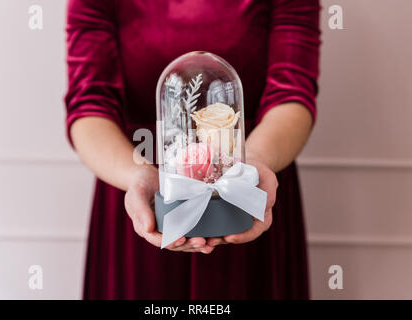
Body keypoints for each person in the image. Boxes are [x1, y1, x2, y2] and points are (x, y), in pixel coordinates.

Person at [65, 0, 320, 299]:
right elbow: (89, 106)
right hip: (142, 192)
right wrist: (139, 176)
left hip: (250, 187)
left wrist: (246, 171)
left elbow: (292, 93)